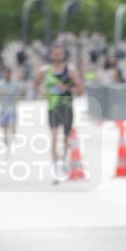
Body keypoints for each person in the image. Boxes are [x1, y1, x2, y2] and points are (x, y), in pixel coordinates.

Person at [34, 43, 84, 182]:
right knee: (54, 137)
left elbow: (80, 90)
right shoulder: (45, 70)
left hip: (67, 107)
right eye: (55, 54)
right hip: (53, 108)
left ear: (63, 55)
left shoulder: (70, 70)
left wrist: (72, 88)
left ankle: (63, 160)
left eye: (60, 54)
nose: (57, 56)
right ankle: (56, 166)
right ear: (51, 55)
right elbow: (36, 84)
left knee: (66, 139)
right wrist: (42, 92)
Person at [0, 67, 23, 152]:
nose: (7, 75)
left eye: (9, 73)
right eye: (6, 73)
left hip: (12, 108)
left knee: (13, 125)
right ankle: (6, 137)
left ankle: (13, 139)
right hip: (3, 108)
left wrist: (17, 97)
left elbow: (20, 95)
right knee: (5, 126)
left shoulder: (15, 84)